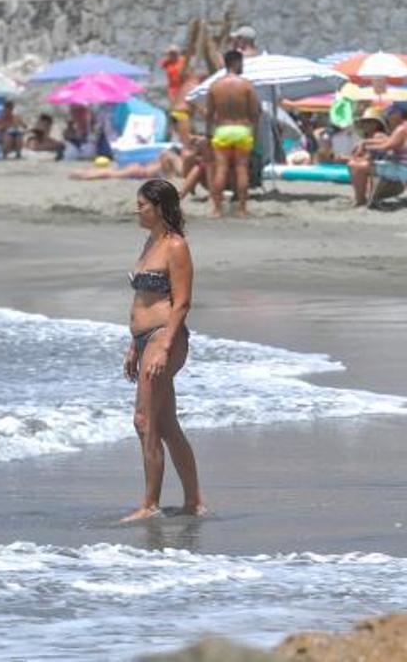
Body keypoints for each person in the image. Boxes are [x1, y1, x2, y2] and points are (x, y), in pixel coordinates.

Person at [122, 179, 203, 522]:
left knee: (144, 421)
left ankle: (149, 504)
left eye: (142, 204)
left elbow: (181, 302)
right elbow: (143, 299)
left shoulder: (175, 246)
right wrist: (133, 345)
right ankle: (194, 502)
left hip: (165, 337)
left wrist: (162, 347)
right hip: (145, 339)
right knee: (166, 424)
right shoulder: (150, 241)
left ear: (159, 207)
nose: (137, 210)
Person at [205, 50, 260, 219]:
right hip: (242, 130)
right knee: (241, 169)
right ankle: (242, 209)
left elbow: (209, 114)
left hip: (222, 130)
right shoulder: (246, 85)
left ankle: (217, 210)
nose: (242, 66)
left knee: (220, 169)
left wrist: (208, 135)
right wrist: (255, 133)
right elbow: (255, 113)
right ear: (235, 63)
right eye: (241, 63)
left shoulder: (214, 86)